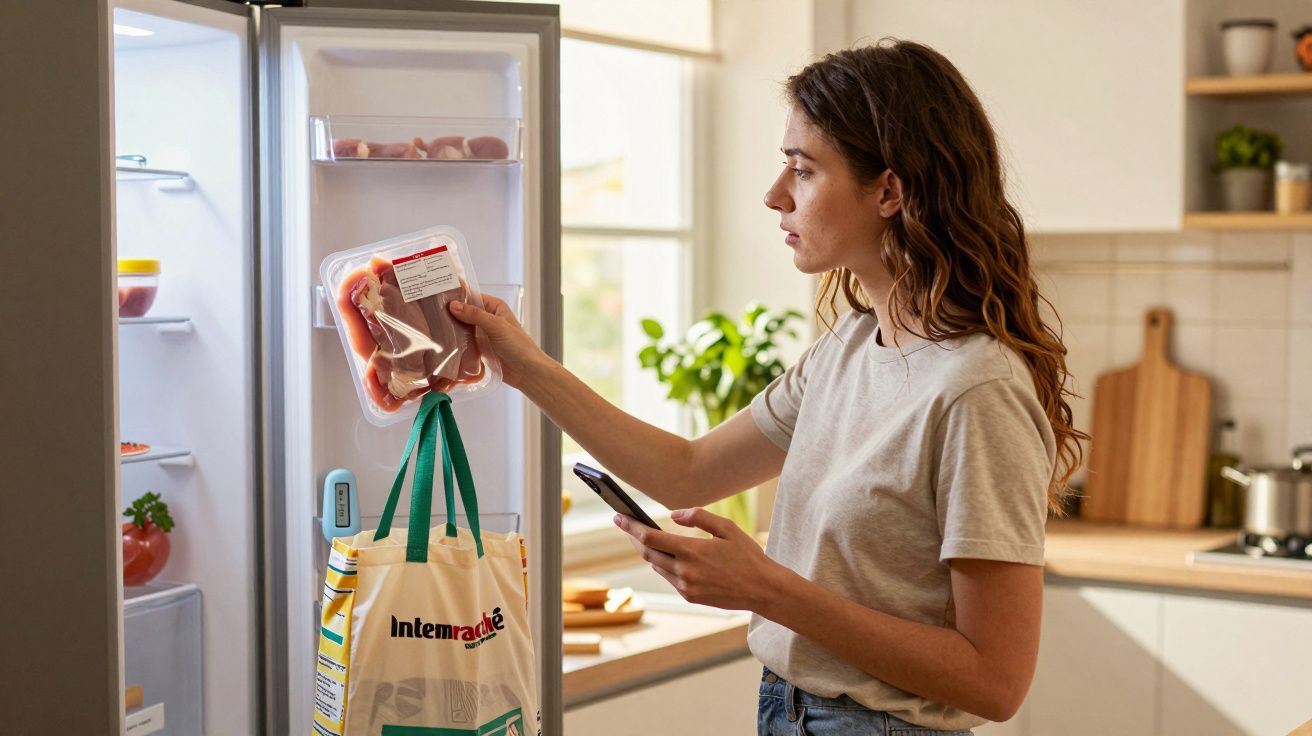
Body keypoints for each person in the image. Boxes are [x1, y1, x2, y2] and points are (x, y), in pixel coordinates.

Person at [448, 39, 1085, 736]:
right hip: (788, 712)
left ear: (889, 191)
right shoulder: (847, 348)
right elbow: (685, 471)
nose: (775, 195)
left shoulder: (976, 389)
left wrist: (767, 588)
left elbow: (995, 682)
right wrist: (523, 365)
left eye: (803, 170)